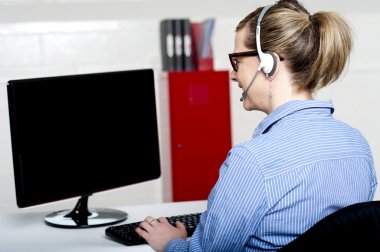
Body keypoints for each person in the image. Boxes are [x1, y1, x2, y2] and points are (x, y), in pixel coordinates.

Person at [135, 0, 378, 251]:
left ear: (268, 63)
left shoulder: (252, 161)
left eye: (236, 61)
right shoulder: (357, 145)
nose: (232, 74)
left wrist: (171, 243)